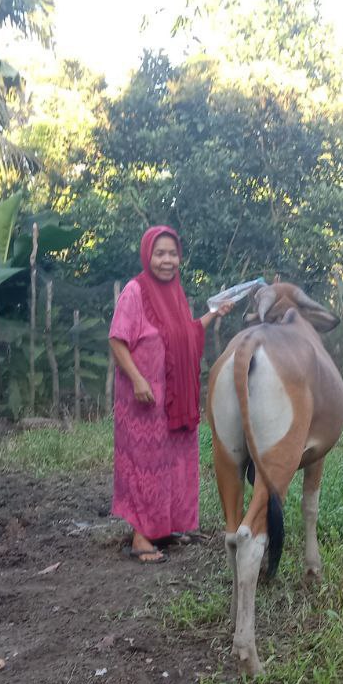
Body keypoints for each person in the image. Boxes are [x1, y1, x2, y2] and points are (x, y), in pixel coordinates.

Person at [108, 225, 234, 563]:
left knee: (174, 463)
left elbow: (187, 334)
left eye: (172, 254)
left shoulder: (176, 294)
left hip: (174, 399)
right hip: (144, 400)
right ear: (147, 255)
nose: (167, 260)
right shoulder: (135, 292)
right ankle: (139, 537)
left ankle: (163, 528)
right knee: (146, 464)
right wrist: (137, 379)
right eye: (160, 253)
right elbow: (117, 340)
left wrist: (213, 314)